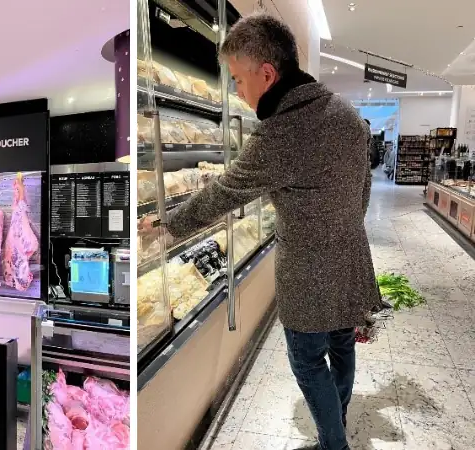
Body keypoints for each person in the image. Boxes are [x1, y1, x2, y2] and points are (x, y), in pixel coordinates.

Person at [141, 14, 379, 450]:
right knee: (343, 345)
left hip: (308, 272)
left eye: (237, 78)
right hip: (350, 256)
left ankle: (334, 443)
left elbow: (224, 192)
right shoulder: (347, 115)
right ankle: (338, 421)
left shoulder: (283, 131)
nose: (237, 90)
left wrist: (168, 222)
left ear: (267, 74)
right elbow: (362, 190)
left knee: (308, 362)